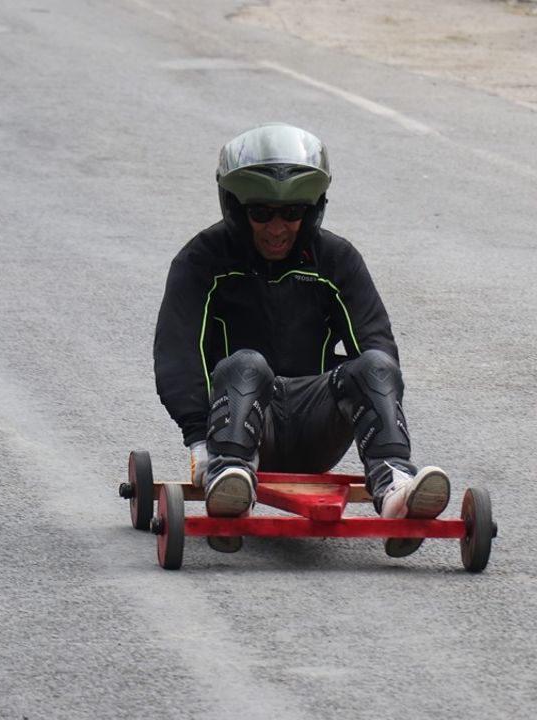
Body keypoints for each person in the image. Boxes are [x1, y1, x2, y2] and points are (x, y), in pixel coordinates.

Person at [152, 123, 450, 557]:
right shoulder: (202, 261)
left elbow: (376, 348)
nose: (277, 228)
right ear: (236, 209)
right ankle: (229, 480)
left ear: (311, 212)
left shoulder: (337, 260)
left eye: (291, 213)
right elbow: (178, 354)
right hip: (240, 425)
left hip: (317, 426)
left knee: (377, 365)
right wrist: (199, 440)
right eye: (261, 213)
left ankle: (395, 485)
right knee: (245, 363)